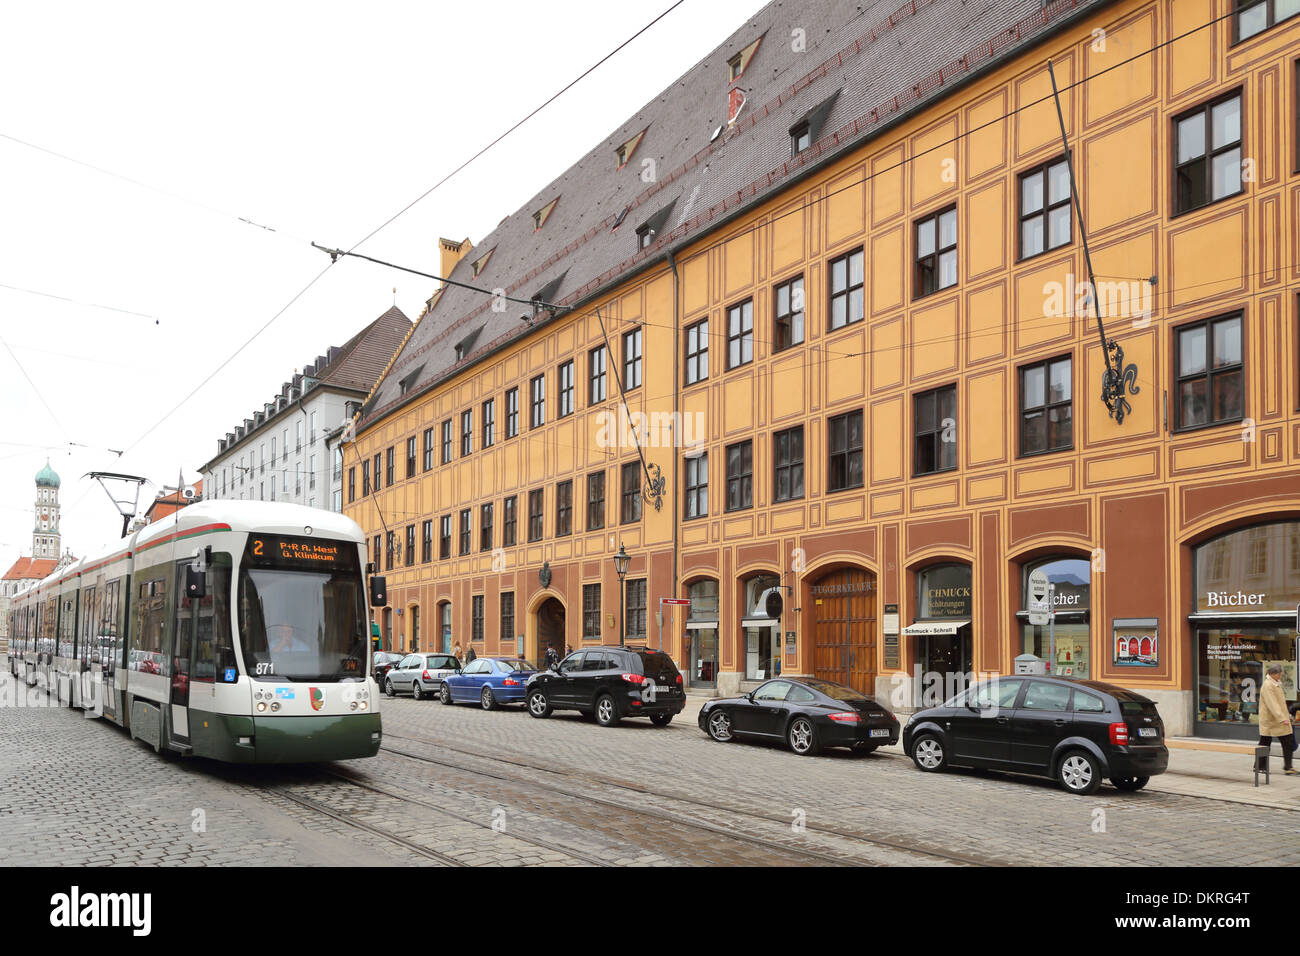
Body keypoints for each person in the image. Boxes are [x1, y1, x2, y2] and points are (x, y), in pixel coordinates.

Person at [1258, 663, 1296, 775]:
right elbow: (1272, 704)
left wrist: (1286, 716)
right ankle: (1262, 766)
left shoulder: (1275, 683)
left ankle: (1287, 767)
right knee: (1266, 743)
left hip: (1277, 719)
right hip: (1271, 720)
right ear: (1274, 674)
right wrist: (1281, 718)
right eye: (1280, 673)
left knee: (1284, 742)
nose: (1281, 675)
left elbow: (1280, 703)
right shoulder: (1268, 685)